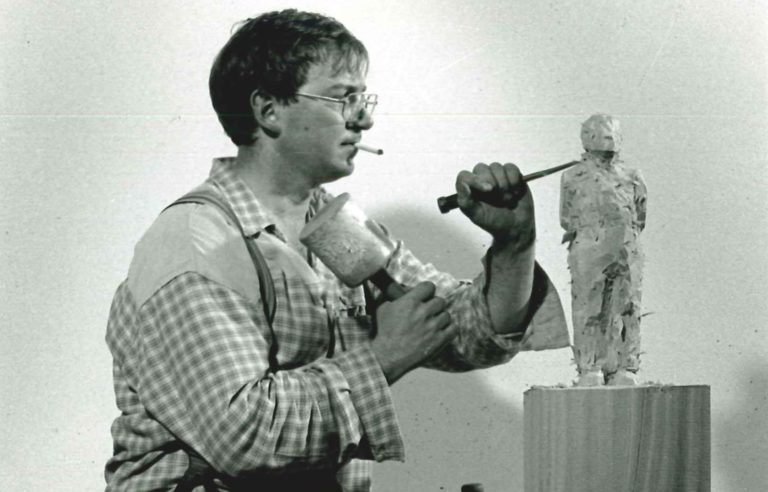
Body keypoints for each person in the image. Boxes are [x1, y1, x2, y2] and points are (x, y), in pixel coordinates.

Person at [105, 9, 569, 491]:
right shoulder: (198, 241)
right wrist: (383, 357)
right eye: (342, 97)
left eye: (362, 98)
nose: (364, 118)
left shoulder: (334, 224)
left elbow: (466, 334)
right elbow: (246, 436)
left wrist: (514, 243)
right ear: (268, 110)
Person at [560, 114, 647, 387]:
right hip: (588, 246)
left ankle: (625, 366)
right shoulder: (572, 176)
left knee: (627, 305)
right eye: (601, 134)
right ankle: (591, 367)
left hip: (625, 246)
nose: (609, 140)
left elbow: (640, 213)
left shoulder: (632, 175)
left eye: (612, 134)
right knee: (589, 306)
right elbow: (566, 217)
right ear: (587, 139)